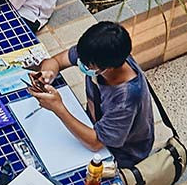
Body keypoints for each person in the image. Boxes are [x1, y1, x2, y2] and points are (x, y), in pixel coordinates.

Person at [33, 21, 154, 168]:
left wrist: (58, 108)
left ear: (108, 68)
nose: (82, 65)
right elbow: (56, 61)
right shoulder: (95, 53)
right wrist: (47, 74)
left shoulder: (125, 98)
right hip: (95, 124)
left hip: (121, 154)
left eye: (87, 66)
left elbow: (95, 143)